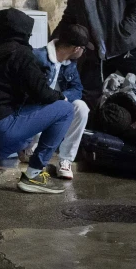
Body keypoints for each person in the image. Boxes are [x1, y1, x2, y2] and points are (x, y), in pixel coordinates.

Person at [0, 8, 74, 194]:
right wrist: (61, 96)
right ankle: (34, 174)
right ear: (24, 33)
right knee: (66, 109)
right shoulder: (21, 53)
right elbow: (42, 94)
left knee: (27, 135)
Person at [19, 24, 94, 180]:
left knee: (81, 107)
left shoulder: (69, 63)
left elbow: (77, 89)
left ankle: (65, 160)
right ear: (76, 48)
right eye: (83, 49)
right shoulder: (38, 57)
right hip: (34, 113)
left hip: (56, 107)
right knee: (49, 105)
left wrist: (62, 98)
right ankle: (29, 148)